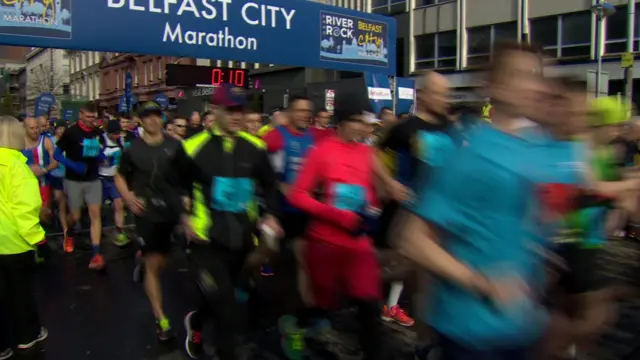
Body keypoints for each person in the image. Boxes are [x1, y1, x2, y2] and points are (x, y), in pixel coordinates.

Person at [395, 42, 563, 360]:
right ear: (494, 86)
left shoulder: (536, 147)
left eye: (537, 74)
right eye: (521, 75)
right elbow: (412, 239)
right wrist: (480, 282)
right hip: (473, 331)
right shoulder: (469, 154)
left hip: (521, 323)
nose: (534, 84)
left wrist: (540, 252)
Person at [182, 84, 281, 360]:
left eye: (241, 110)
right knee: (228, 311)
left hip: (242, 241)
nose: (237, 116)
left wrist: (271, 215)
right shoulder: (192, 147)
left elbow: (271, 186)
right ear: (214, 110)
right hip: (205, 242)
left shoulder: (256, 148)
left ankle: (197, 322)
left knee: (219, 300)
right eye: (231, 110)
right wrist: (183, 215)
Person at [287, 108, 384, 360]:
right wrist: (336, 215)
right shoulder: (321, 151)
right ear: (341, 121)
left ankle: (372, 353)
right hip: (325, 242)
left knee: (369, 303)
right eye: (357, 121)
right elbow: (297, 195)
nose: (363, 128)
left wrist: (372, 210)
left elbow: (370, 193)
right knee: (323, 303)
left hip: (358, 242)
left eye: (366, 122)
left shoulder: (368, 153)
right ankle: (294, 327)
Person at [374, 71, 455, 329]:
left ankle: (419, 328)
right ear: (424, 95)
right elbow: (373, 155)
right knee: (406, 264)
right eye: (439, 93)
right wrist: (389, 183)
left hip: (441, 210)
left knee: (424, 272)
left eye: (447, 93)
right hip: (410, 209)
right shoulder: (405, 128)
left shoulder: (451, 128)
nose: (445, 98)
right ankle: (369, 288)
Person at [115, 101, 190, 341]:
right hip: (145, 213)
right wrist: (128, 197)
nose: (152, 120)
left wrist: (186, 197)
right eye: (147, 116)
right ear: (140, 120)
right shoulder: (132, 149)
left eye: (156, 115)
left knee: (163, 261)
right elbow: (119, 175)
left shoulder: (175, 146)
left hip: (170, 213)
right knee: (153, 261)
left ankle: (145, 263)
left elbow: (185, 176)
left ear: (162, 118)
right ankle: (161, 319)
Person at [0, 116, 48, 360]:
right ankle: (27, 336)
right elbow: (25, 208)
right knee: (21, 292)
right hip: (14, 242)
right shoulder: (19, 167)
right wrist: (38, 238)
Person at [54, 102, 106, 270]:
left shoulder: (98, 132)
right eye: (89, 117)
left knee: (95, 214)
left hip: (93, 179)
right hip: (74, 180)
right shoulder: (71, 133)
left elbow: (102, 149)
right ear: (81, 115)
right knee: (75, 216)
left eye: (94, 117)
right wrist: (72, 165)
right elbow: (56, 154)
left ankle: (96, 254)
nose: (92, 120)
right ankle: (69, 233)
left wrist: (103, 156)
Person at [100, 120, 130, 247]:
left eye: (118, 133)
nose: (117, 136)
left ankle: (119, 231)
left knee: (119, 204)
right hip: (101, 178)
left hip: (115, 179)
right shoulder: (101, 141)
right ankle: (97, 230)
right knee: (97, 207)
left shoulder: (121, 141)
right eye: (115, 134)